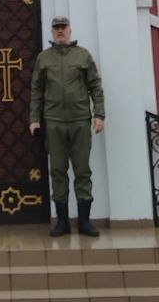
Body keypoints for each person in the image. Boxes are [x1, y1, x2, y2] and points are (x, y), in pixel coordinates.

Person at [29, 16, 105, 237]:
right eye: (56, 28)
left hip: (80, 120)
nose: (60, 31)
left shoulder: (83, 55)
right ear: (52, 32)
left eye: (63, 28)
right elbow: (37, 90)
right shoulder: (43, 58)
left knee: (82, 171)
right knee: (58, 171)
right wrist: (34, 118)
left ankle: (84, 222)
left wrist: (99, 114)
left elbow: (95, 86)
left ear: (70, 30)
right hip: (53, 121)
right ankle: (62, 222)